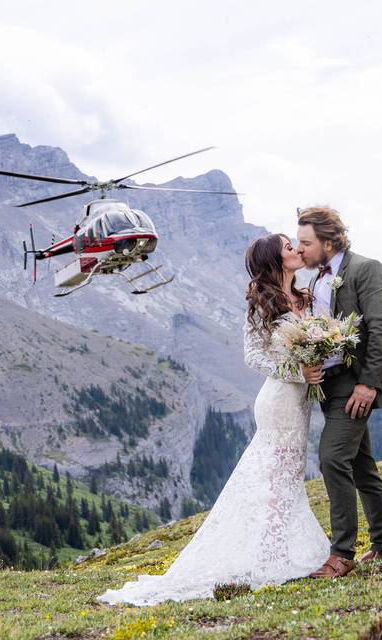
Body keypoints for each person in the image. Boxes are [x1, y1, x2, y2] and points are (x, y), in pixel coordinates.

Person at [96, 233, 330, 606]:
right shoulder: (262, 302)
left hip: (301, 400)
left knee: (290, 472)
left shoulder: (305, 297)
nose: (297, 250)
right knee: (277, 475)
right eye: (289, 247)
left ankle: (277, 549)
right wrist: (297, 372)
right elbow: (253, 357)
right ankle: (271, 557)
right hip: (279, 399)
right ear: (275, 258)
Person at [295, 205, 382, 579]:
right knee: (362, 465)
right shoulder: (315, 279)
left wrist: (368, 384)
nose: (300, 250)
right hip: (329, 385)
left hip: (354, 383)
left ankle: (342, 554)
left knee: (333, 458)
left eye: (306, 242)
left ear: (329, 240)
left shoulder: (366, 269)